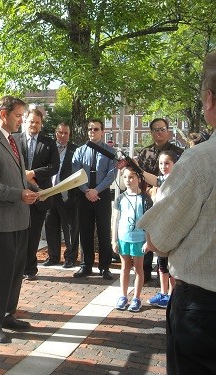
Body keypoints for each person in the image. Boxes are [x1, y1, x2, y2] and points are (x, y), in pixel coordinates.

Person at [137, 50, 216, 374]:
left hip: (204, 311)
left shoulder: (199, 161)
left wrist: (159, 196)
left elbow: (158, 239)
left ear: (209, 99)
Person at [0, 95, 39, 344]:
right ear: (3, 114)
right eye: (17, 116)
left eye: (22, 116)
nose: (21, 120)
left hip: (20, 218)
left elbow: (19, 176)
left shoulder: (13, 140)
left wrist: (35, 189)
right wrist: (19, 194)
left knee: (15, 272)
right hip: (1, 221)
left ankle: (7, 315)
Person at [136, 118, 183, 282]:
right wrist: (149, 190)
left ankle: (171, 276)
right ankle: (146, 272)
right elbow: (139, 176)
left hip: (171, 202)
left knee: (168, 237)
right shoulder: (144, 153)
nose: (159, 132)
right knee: (147, 235)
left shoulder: (178, 152)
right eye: (156, 130)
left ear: (168, 131)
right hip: (149, 199)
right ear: (151, 132)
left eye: (162, 129)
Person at [16, 108, 59, 279]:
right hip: (19, 195)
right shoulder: (14, 140)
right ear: (25, 122)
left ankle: (30, 269)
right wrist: (25, 178)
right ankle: (17, 267)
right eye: (31, 121)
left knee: (33, 235)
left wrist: (32, 173)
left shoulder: (49, 143)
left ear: (41, 125)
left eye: (37, 122)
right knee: (18, 234)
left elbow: (54, 167)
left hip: (40, 196)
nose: (34, 124)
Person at [72, 119, 117, 280]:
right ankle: (86, 265)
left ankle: (104, 266)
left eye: (96, 129)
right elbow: (76, 173)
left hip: (102, 195)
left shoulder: (109, 152)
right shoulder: (79, 151)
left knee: (104, 231)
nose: (92, 131)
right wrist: (86, 190)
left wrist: (96, 190)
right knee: (85, 231)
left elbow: (111, 175)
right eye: (90, 129)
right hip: (84, 196)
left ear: (102, 132)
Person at [141, 150, 177, 308]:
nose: (163, 166)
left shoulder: (176, 181)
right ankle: (163, 293)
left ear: (175, 164)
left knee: (172, 265)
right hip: (160, 228)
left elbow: (155, 181)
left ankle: (172, 294)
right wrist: (138, 169)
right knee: (162, 263)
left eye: (167, 163)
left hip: (172, 228)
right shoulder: (163, 181)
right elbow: (154, 179)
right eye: (161, 163)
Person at [112, 167, 152, 312]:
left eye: (131, 177)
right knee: (125, 267)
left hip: (139, 238)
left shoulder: (145, 198)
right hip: (124, 237)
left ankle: (136, 297)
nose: (128, 181)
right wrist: (113, 240)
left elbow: (149, 221)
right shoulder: (121, 198)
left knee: (138, 268)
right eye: (125, 178)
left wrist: (148, 241)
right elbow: (115, 220)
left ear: (139, 179)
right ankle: (123, 296)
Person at [44, 122, 80, 268]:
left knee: (70, 228)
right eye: (60, 132)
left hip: (68, 196)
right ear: (55, 132)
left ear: (69, 134)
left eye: (66, 133)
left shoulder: (75, 150)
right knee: (51, 227)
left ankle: (70, 257)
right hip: (50, 193)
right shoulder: (49, 148)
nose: (63, 136)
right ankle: (53, 257)